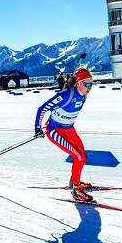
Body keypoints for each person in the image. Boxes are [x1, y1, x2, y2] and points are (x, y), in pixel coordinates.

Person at [34, 67, 95, 202]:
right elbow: (42, 109)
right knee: (78, 156)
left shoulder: (84, 94)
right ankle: (77, 190)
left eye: (91, 83)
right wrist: (38, 128)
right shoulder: (66, 95)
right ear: (78, 82)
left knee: (82, 155)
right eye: (87, 83)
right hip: (55, 131)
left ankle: (75, 182)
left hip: (69, 129)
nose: (90, 87)